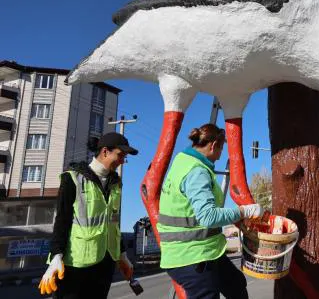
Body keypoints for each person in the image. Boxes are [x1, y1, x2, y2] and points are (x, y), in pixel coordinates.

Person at [159, 123, 262, 299]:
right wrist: (243, 211)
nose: (220, 155)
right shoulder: (197, 171)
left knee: (235, 284)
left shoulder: (182, 161)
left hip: (203, 251)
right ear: (213, 145)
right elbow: (208, 216)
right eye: (221, 150)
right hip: (192, 256)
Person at [40, 132, 137, 298]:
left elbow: (113, 224)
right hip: (76, 265)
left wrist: (122, 256)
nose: (122, 161)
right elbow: (62, 222)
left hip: (105, 265)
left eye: (124, 157)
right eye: (120, 155)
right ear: (105, 151)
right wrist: (56, 256)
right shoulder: (72, 179)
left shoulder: (116, 184)